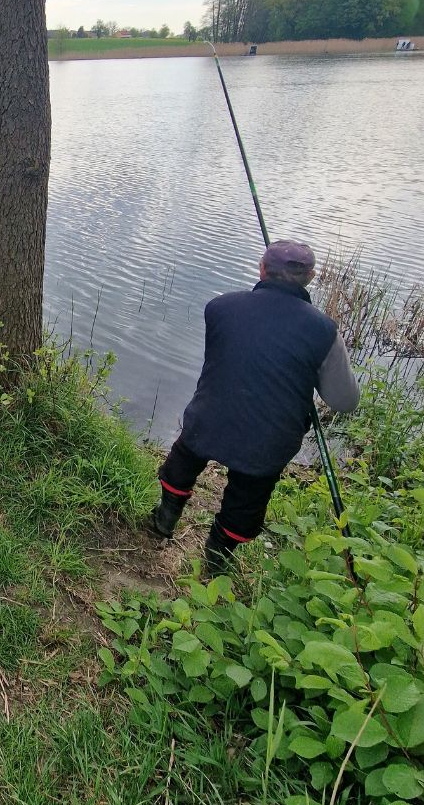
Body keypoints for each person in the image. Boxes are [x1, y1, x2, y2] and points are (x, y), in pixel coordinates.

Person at [150, 239, 359, 574]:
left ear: (262, 269)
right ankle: (214, 567)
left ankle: (163, 520)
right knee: (246, 501)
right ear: (311, 277)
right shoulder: (324, 331)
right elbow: (344, 401)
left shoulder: (219, 307)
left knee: (183, 461)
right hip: (268, 441)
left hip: (208, 419)